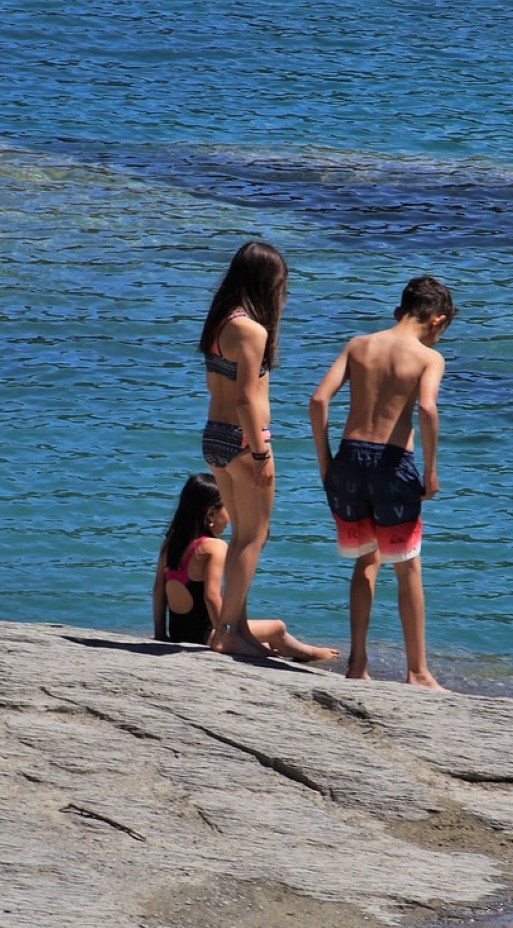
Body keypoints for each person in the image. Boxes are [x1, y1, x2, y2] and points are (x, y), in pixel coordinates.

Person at [308, 276, 456, 690]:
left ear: (399, 311)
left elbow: (319, 400)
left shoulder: (359, 345)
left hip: (349, 459)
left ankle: (357, 664)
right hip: (393, 462)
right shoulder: (428, 359)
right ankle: (417, 671)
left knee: (365, 560)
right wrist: (429, 471)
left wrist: (325, 461)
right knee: (408, 568)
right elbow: (427, 408)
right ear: (438, 319)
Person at [198, 240, 287, 658]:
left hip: (214, 435)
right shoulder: (252, 329)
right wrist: (260, 454)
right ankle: (228, 632)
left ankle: (240, 628)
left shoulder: (220, 322)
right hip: (243, 439)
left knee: (238, 538)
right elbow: (246, 399)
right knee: (255, 536)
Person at [152, 473, 339, 662]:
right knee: (277, 628)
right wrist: (222, 635)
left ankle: (276, 650)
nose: (232, 517)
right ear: (211, 513)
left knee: (261, 645)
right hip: (207, 634)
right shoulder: (213, 547)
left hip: (178, 633)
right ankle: (307, 653)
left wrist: (160, 634)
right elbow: (211, 596)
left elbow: (159, 590)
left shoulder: (169, 544)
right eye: (228, 508)